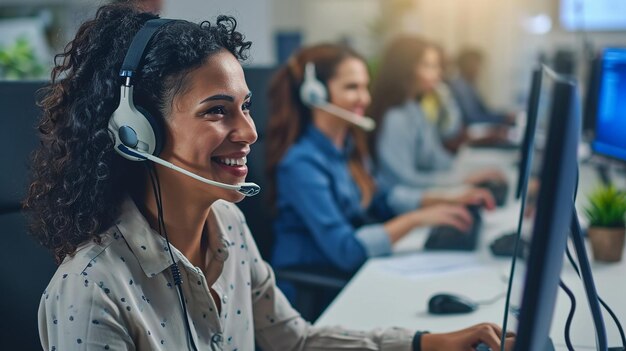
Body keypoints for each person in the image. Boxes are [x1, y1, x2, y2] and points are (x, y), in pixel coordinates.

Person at [25, 4, 513, 350]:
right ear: (138, 134)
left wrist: (426, 344)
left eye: (245, 107)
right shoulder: (93, 289)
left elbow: (293, 341)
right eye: (217, 111)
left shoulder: (230, 229)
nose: (249, 132)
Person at [265, 44, 496, 300]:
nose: (365, 99)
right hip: (315, 293)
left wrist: (446, 199)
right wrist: (417, 218)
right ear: (314, 94)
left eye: (365, 87)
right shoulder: (301, 164)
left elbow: (381, 198)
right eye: (352, 87)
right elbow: (347, 250)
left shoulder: (348, 148)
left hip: (350, 277)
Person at [369, 35, 505, 190]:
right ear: (406, 68)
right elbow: (401, 181)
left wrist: (470, 172)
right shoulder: (395, 118)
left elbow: (437, 158)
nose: (438, 73)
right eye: (429, 66)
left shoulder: (415, 108)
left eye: (437, 66)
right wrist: (463, 180)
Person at [449, 47, 514, 125]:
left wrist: (504, 116)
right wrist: (503, 118)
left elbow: (484, 111)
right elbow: (472, 118)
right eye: (476, 65)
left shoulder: (470, 85)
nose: (479, 69)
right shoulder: (460, 87)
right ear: (467, 65)